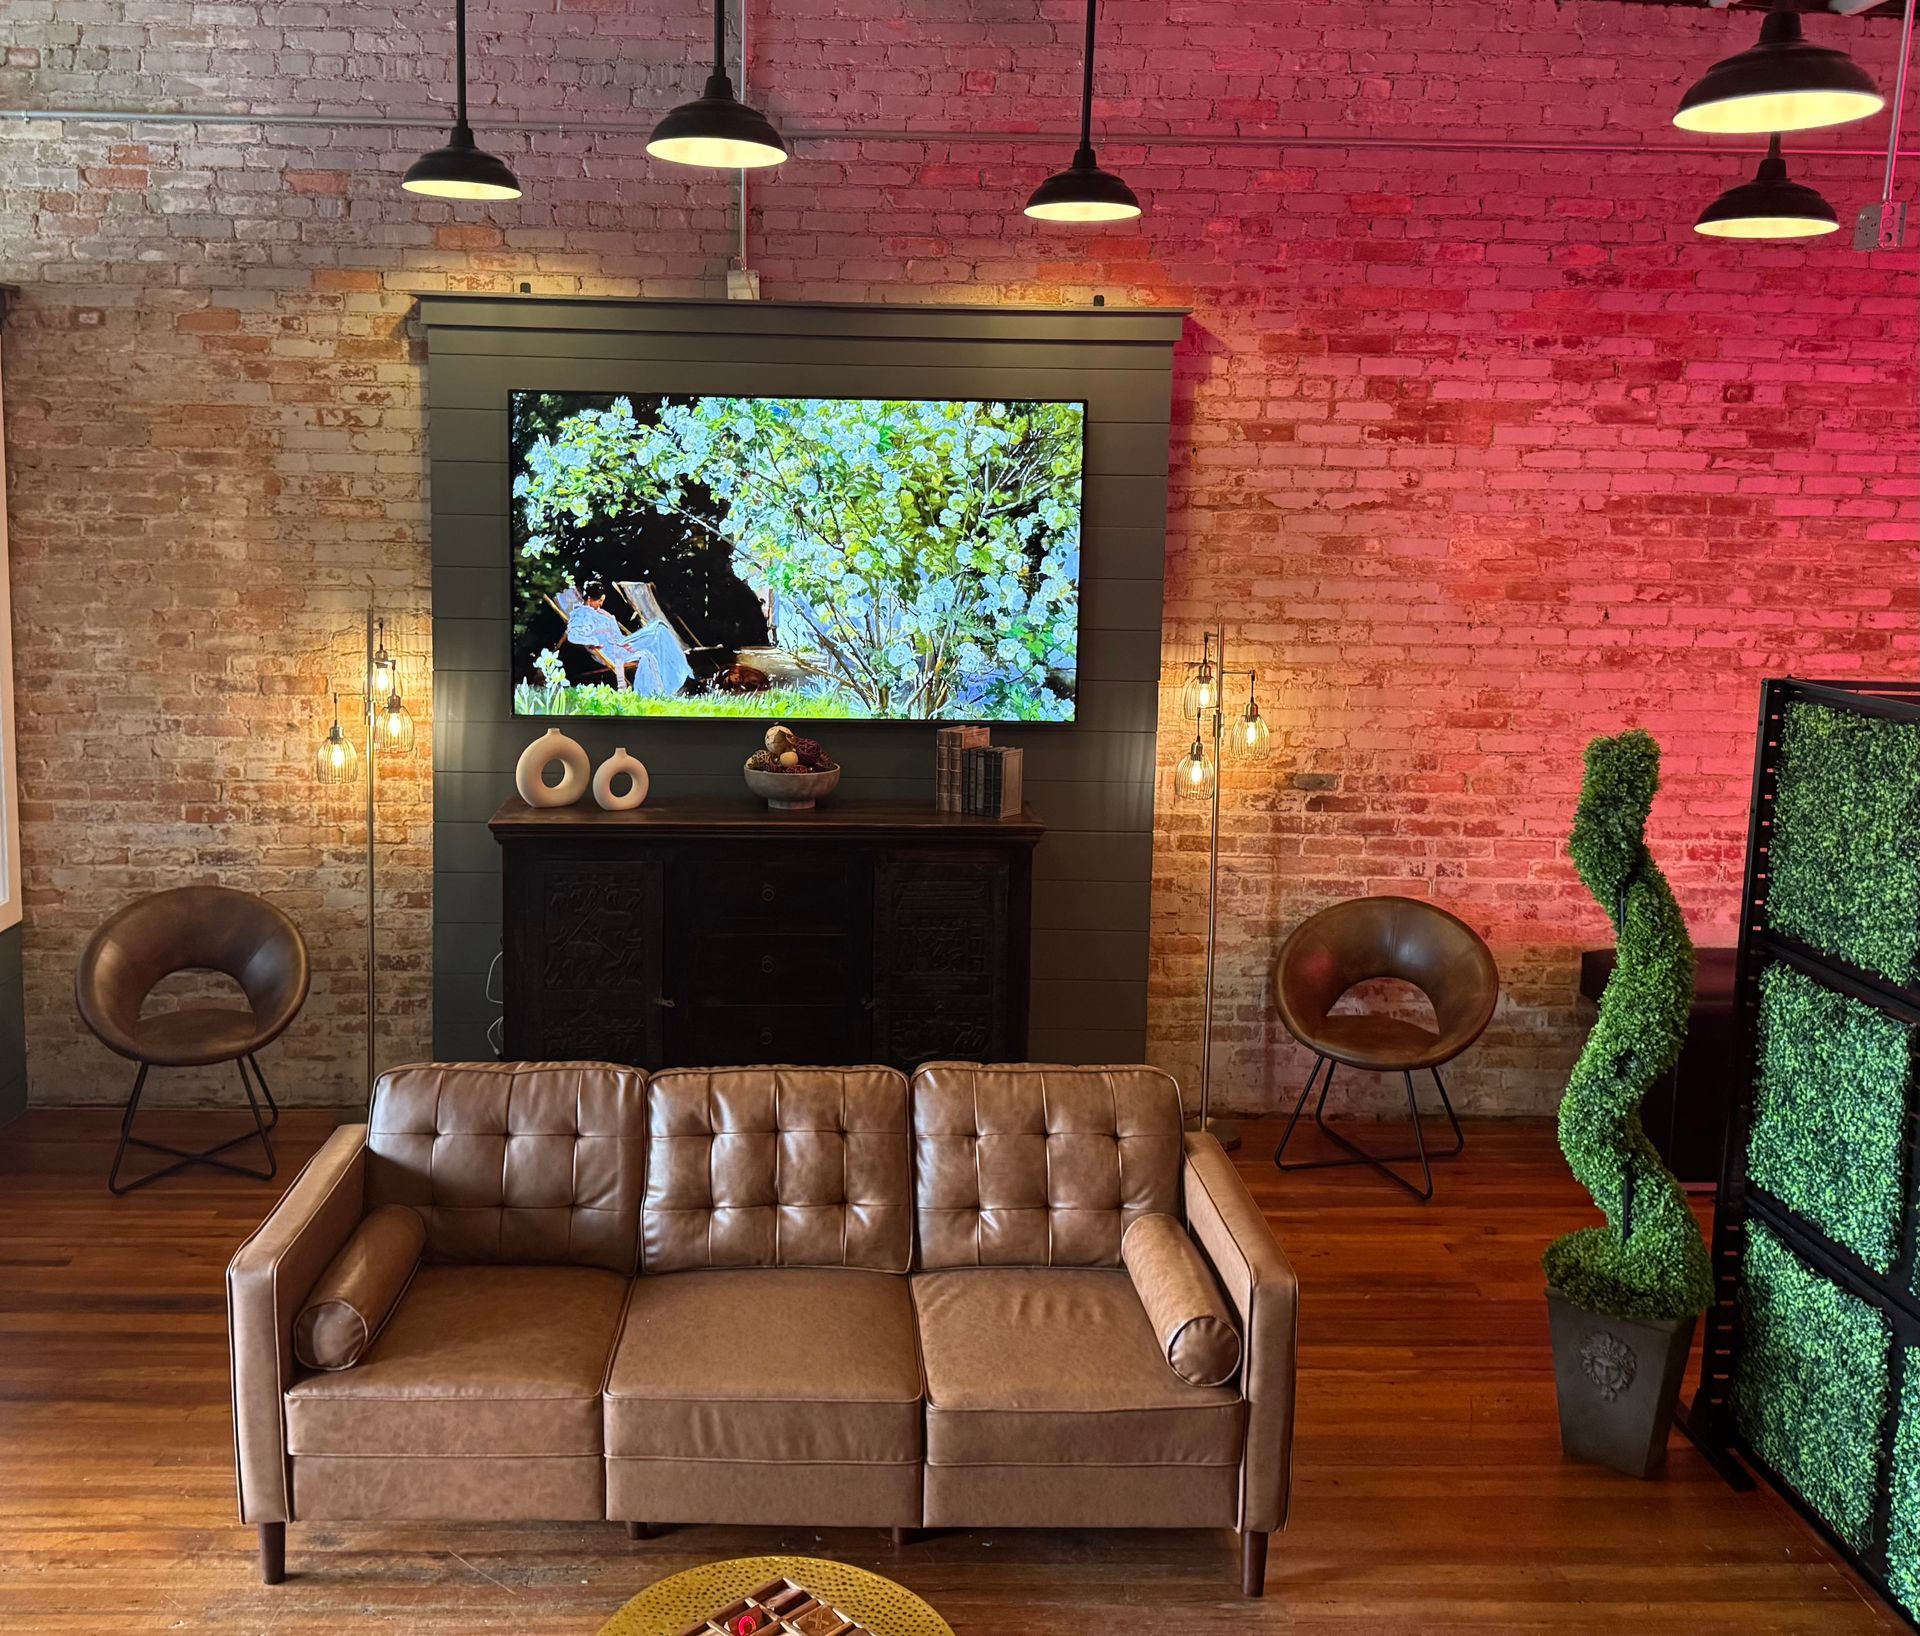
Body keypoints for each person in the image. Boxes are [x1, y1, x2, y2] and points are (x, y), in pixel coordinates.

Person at [565, 580, 692, 698]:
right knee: (654, 638)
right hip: (610, 651)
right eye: (599, 601)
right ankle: (666, 685)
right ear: (588, 599)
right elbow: (573, 636)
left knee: (659, 628)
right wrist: (594, 641)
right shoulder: (581, 614)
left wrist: (611, 622)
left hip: (621, 644)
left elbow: (616, 634)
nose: (601, 604)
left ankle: (680, 673)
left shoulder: (599, 612)